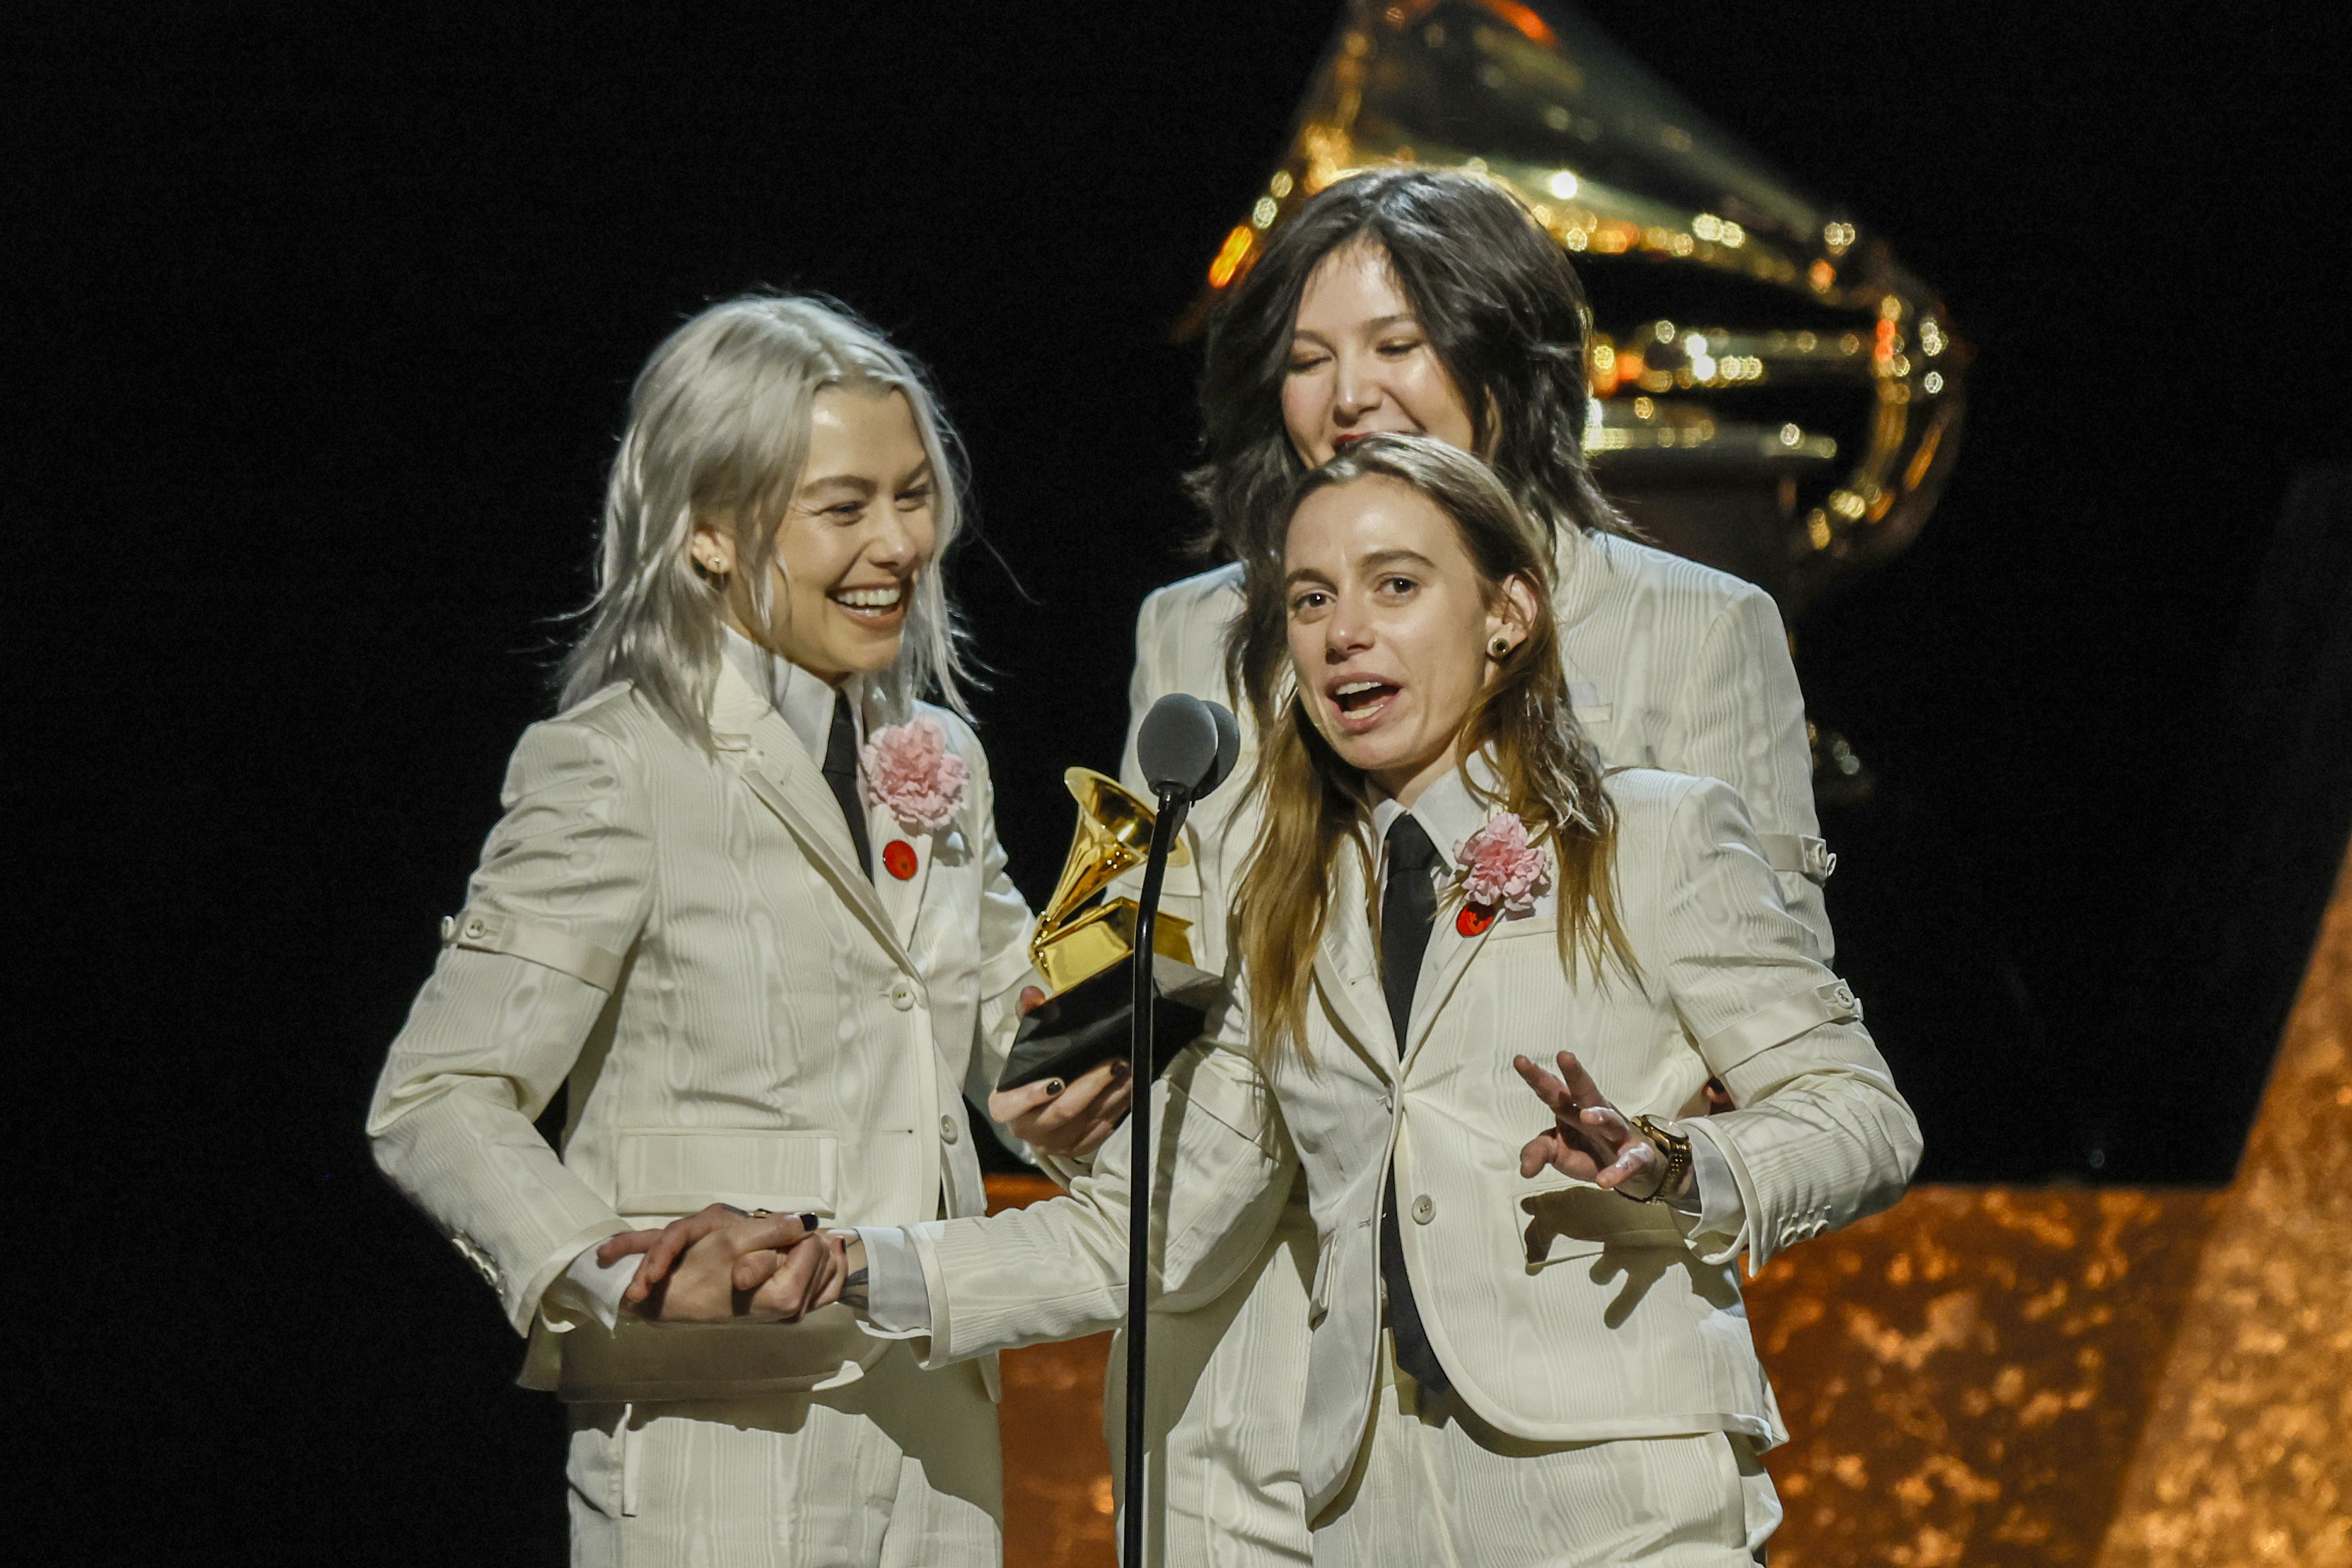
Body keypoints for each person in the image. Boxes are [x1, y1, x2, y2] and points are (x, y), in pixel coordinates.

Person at [618, 435, 1919, 1564]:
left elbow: (1863, 1118)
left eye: (1395, 587)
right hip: (1362, 1516)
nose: (1343, 631)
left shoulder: (1654, 837)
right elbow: (1151, 1228)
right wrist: (852, 1261)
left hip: (1625, 1502)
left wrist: (1676, 1163)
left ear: (1508, 610)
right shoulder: (1279, 900)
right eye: (1308, 599)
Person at [1070, 165, 1835, 1563]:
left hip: (1548, 1342)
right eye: (1304, 360)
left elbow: (1773, 1022)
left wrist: (1651, 1142)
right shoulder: (1187, 633)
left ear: (1501, 364)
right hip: (1240, 1345)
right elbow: (1111, 946)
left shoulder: (1695, 624)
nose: (1345, 392)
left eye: (1394, 346)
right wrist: (1061, 1060)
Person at [365, 293, 1102, 1567]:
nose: (896, 542)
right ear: (708, 532)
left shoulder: (939, 761)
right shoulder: (613, 765)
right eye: (844, 505)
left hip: (938, 1438)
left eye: (912, 494)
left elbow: (1019, 1046)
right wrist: (609, 1273)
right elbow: (437, 1095)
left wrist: (1113, 1048)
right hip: (715, 1444)